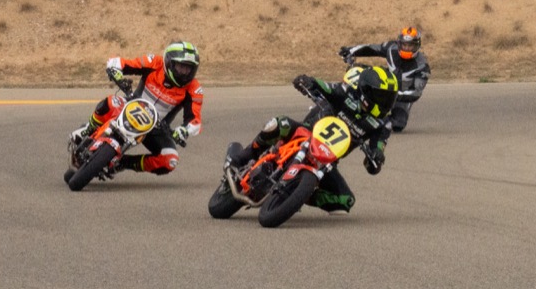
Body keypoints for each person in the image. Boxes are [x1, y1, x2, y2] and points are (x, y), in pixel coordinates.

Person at [227, 65, 398, 213]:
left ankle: (298, 195)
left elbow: (377, 150)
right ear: (366, 90)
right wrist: (308, 81)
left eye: (390, 98)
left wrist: (376, 158)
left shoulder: (383, 125)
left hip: (327, 160)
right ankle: (243, 156)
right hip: (305, 132)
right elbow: (326, 87)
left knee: (345, 200)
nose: (386, 103)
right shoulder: (347, 93)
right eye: (382, 96)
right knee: (279, 124)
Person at [68, 41, 204, 175]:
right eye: (181, 67)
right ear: (169, 62)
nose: (185, 73)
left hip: (156, 127)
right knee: (110, 102)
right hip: (130, 106)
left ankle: (123, 163)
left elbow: (195, 121)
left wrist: (183, 131)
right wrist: (116, 72)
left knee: (170, 160)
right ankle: (88, 128)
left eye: (189, 69)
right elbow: (119, 63)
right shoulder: (154, 63)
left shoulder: (194, 89)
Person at [340, 26, 431, 132]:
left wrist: (396, 95)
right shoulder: (391, 48)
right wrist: (351, 50)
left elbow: (416, 93)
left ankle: (375, 121)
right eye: (404, 45)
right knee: (358, 69)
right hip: (384, 86)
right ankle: (345, 97)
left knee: (398, 124)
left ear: (417, 46)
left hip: (401, 97)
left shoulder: (422, 66)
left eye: (410, 45)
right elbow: (372, 48)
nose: (406, 48)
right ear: (399, 43)